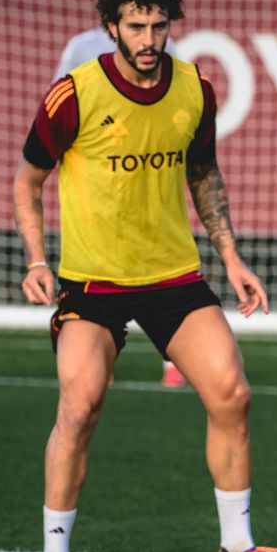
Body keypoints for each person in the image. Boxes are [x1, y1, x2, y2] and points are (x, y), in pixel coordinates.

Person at [13, 0, 277, 552]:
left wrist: (230, 258)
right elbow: (28, 181)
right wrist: (37, 261)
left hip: (173, 276)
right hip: (92, 283)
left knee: (232, 393)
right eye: (135, 25)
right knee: (80, 405)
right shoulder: (75, 94)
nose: (148, 37)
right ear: (111, 27)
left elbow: (204, 175)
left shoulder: (194, 90)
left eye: (158, 25)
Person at [55, 21, 186, 389]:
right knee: (99, 278)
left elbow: (174, 101)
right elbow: (60, 103)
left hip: (145, 182)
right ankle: (98, 362)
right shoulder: (82, 48)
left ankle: (173, 363)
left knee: (162, 268)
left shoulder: (164, 47)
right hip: (99, 186)